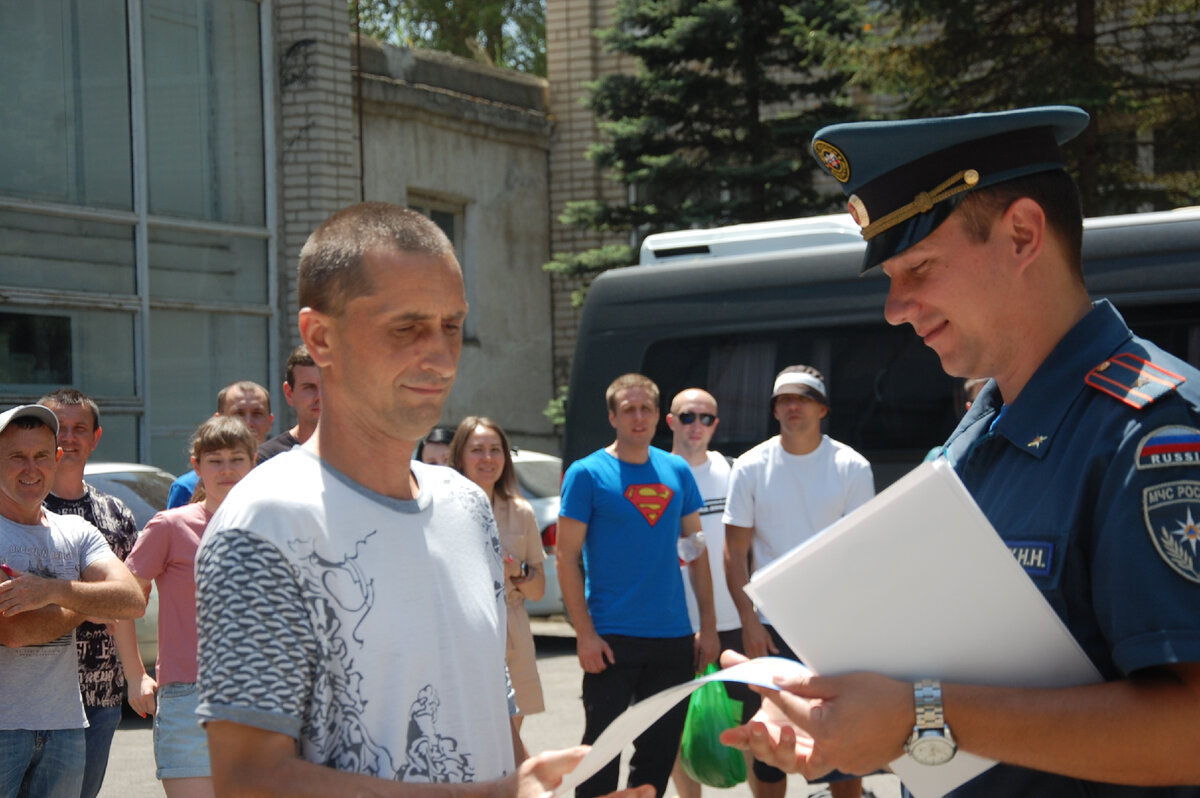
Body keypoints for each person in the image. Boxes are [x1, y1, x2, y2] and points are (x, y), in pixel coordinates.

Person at [720, 106, 1200, 796]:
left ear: (1023, 235)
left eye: (917, 266)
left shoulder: (1154, 434)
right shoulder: (979, 430)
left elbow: (1188, 731)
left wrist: (919, 718)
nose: (894, 307)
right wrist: (850, 723)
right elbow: (975, 699)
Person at [192, 202, 651, 798]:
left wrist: (526, 787)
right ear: (320, 338)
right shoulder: (262, 525)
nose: (439, 354)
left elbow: (489, 715)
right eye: (406, 327)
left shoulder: (463, 504)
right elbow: (249, 780)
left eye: (452, 325)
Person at [557, 373, 720, 798]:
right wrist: (585, 634)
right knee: (599, 755)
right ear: (612, 416)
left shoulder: (676, 470)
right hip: (611, 639)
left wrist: (709, 625)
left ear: (658, 416)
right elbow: (565, 556)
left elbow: (696, 550)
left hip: (673, 638)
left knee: (657, 756)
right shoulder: (587, 473)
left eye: (646, 408)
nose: (638, 416)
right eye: (628, 409)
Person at [722, 365, 875, 798]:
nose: (793, 406)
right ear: (774, 410)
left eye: (803, 398)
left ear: (822, 408)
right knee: (769, 745)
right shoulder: (751, 466)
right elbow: (734, 552)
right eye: (784, 399)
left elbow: (860, 553)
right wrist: (749, 621)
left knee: (839, 745)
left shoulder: (852, 466)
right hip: (769, 629)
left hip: (834, 630)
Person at [0, 404, 145, 798]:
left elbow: (131, 599)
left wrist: (53, 591)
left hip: (66, 725)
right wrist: (91, 602)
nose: (31, 468)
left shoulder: (77, 530)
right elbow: (15, 630)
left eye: (42, 455)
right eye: (17, 456)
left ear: (57, 458)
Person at [127, 416, 257, 798]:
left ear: (254, 464)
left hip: (262, 697)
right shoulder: (170, 526)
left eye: (237, 459)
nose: (227, 469)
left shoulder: (275, 526)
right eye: (215, 460)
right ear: (196, 466)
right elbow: (123, 600)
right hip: (189, 696)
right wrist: (135, 674)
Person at [38, 388, 155, 798]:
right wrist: (92, 601)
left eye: (79, 429)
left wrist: (136, 674)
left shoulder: (116, 512)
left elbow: (130, 601)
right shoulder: (23, 509)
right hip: (36, 694)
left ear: (95, 437)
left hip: (101, 693)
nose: (68, 438)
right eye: (59, 428)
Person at [663, 388, 741, 798]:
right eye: (688, 416)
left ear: (716, 425)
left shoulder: (733, 471)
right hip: (677, 622)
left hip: (734, 620)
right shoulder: (656, 472)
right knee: (676, 726)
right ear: (670, 421)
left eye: (706, 418)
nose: (697, 426)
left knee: (746, 721)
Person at [449, 416, 546, 730]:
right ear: (460, 456)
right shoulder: (441, 507)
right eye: (477, 450)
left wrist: (516, 569)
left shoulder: (521, 512)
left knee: (509, 737)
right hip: (460, 631)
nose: (488, 458)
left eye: (495, 449)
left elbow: (538, 590)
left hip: (512, 629)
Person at [166, 381, 273, 508]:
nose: (248, 422)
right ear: (218, 420)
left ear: (270, 422)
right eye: (238, 414)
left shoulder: (281, 480)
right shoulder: (187, 487)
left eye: (257, 414)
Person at [257, 345, 321, 463]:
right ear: (289, 393)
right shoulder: (267, 460)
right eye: (309, 387)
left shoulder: (359, 458)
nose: (319, 397)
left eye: (327, 387)